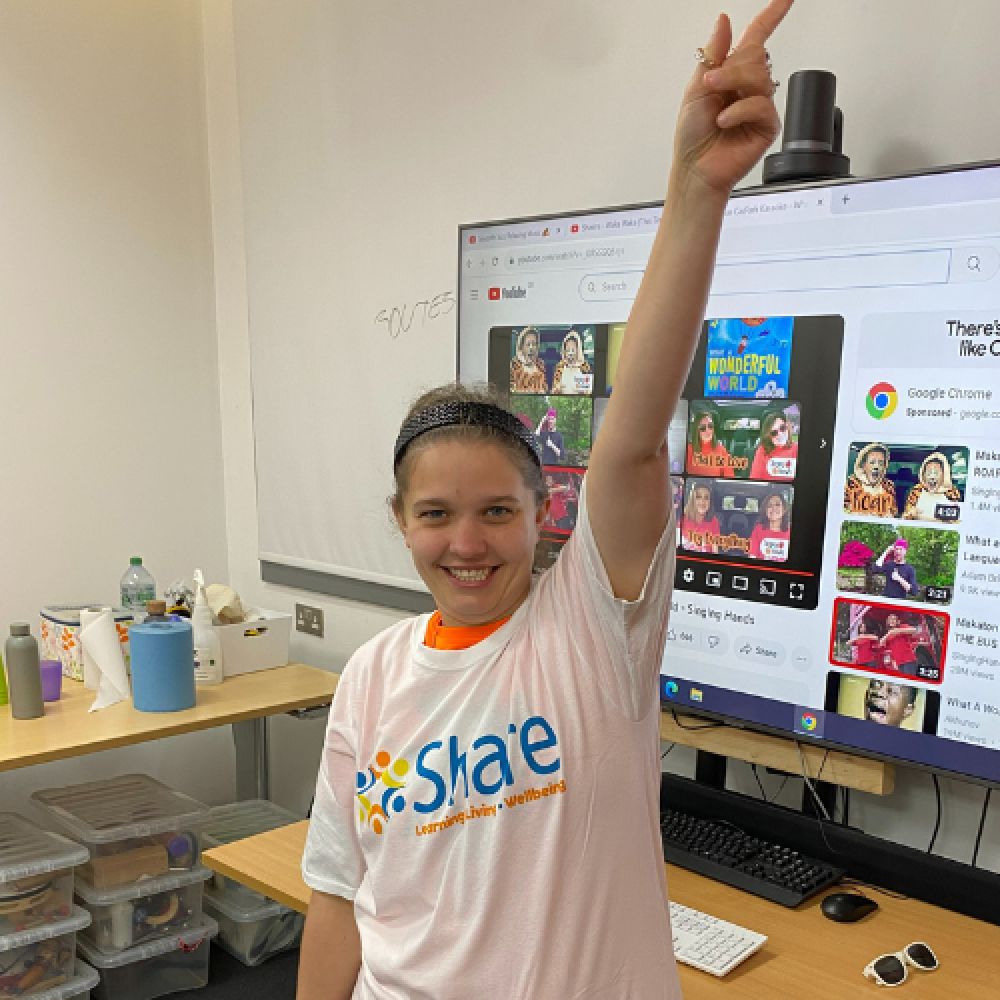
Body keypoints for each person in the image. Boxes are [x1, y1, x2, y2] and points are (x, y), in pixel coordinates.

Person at [297, 5, 792, 998]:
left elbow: (632, 438)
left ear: (541, 516)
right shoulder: (371, 677)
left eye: (497, 511)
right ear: (400, 520)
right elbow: (340, 894)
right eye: (436, 513)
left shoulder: (592, 630)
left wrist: (695, 190)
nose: (467, 541)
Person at [902, 451, 962, 521]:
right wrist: (910, 515)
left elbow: (957, 520)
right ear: (923, 475)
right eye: (929, 472)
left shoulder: (952, 492)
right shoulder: (916, 490)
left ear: (943, 475)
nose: (932, 477)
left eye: (936, 472)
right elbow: (905, 516)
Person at [844, 442, 898, 517]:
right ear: (863, 465)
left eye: (881, 463)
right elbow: (842, 510)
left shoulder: (889, 486)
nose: (876, 467)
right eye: (872, 462)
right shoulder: (850, 485)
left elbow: (893, 512)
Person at [685, 406, 735, 477]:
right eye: (703, 428)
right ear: (696, 430)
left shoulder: (722, 450)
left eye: (710, 426)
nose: (708, 430)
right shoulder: (688, 450)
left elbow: (729, 476)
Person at [749, 409, 798, 479]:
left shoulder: (797, 448)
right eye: (774, 433)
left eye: (782, 428)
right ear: (768, 436)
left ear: (787, 426)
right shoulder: (762, 450)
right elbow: (754, 479)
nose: (780, 434)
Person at [748, 490, 790, 560]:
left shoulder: (790, 532)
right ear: (766, 510)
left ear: (784, 509)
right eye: (770, 505)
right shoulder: (758, 529)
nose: (773, 508)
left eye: (777, 504)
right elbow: (753, 555)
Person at [680, 484, 721, 554]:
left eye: (706, 498)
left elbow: (715, 550)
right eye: (698, 497)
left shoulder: (713, 520)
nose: (702, 501)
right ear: (692, 500)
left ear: (710, 503)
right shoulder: (683, 518)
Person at [551, 329, 593, 394]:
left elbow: (590, 392)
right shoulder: (559, 367)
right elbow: (553, 391)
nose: (570, 353)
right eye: (568, 350)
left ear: (578, 350)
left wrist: (585, 392)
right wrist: (556, 390)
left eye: (573, 350)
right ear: (564, 351)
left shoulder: (584, 367)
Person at [509, 326, 548, 393]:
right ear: (522, 347)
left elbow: (545, 388)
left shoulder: (541, 366)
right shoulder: (514, 366)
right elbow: (510, 390)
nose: (531, 348)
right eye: (528, 344)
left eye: (533, 344)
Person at [882, 612, 922, 677]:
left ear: (897, 621)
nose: (892, 621)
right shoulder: (889, 634)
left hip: (908, 660)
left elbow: (914, 630)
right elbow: (883, 644)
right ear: (888, 622)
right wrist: (893, 661)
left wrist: (899, 631)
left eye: (894, 619)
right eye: (890, 620)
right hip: (899, 662)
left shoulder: (902, 627)